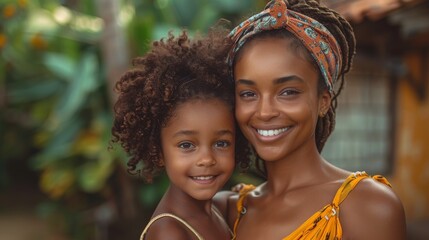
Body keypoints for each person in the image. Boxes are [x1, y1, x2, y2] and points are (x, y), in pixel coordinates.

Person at [214, 0, 407, 239]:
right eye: (248, 94)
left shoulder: (367, 206)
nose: (264, 112)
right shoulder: (230, 210)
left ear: (323, 101)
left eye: (288, 92)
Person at [111, 29, 249, 240]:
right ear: (158, 151)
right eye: (187, 145)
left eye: (221, 143)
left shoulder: (220, 210)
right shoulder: (170, 232)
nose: (206, 159)